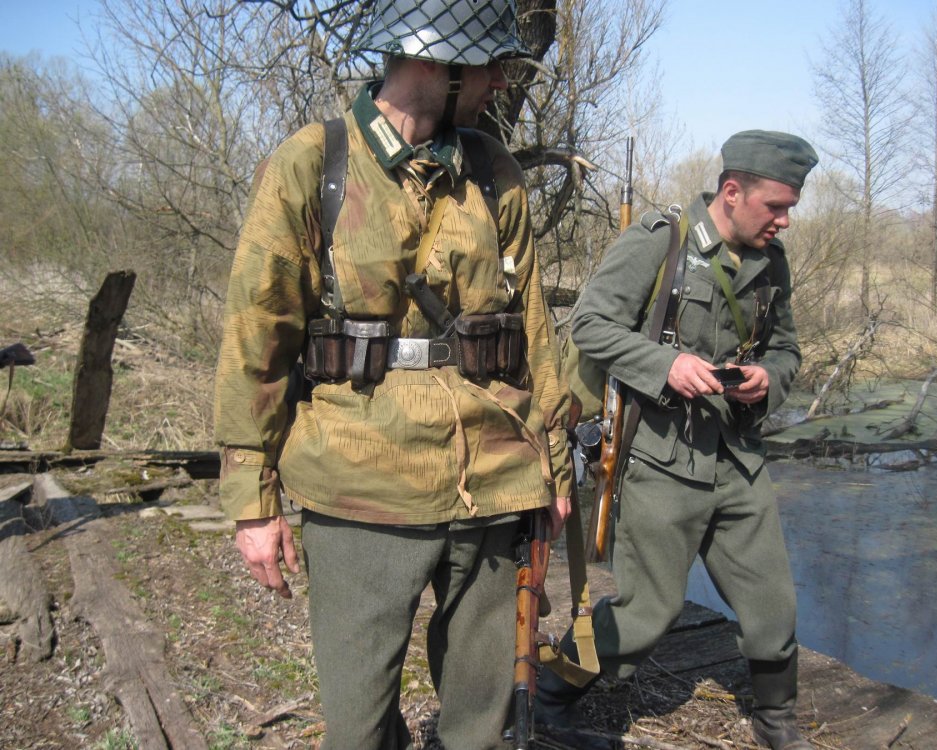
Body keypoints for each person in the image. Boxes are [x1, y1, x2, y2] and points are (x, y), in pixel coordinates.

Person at [212, 2, 573, 748]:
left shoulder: (493, 172)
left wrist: (557, 469)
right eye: (487, 65)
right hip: (358, 483)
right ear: (436, 63)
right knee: (357, 725)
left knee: (483, 716)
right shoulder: (314, 164)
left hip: (493, 478)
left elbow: (534, 330)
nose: (499, 82)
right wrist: (252, 502)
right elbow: (257, 335)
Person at [536, 130, 819, 750]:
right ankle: (550, 694)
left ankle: (777, 720)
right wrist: (665, 366)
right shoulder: (660, 241)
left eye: (789, 207)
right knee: (647, 612)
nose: (785, 221)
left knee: (773, 605)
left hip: (738, 458)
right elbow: (590, 325)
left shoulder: (771, 262)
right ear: (732, 191)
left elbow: (787, 349)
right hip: (661, 457)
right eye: (775, 206)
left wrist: (768, 379)